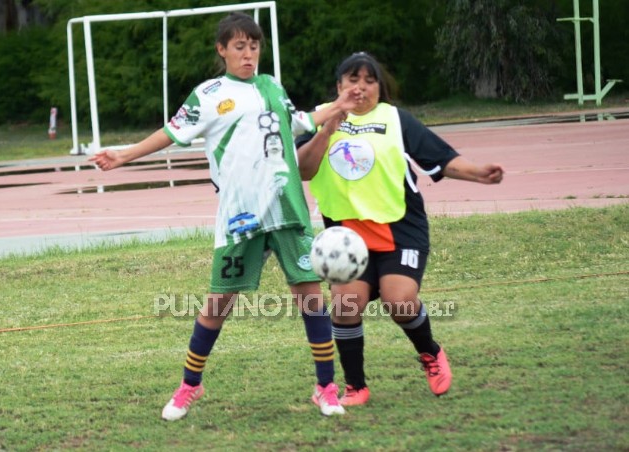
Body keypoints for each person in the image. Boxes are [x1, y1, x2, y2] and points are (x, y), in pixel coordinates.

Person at [90, 13, 361, 420]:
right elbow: (171, 131)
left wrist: (336, 108)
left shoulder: (271, 86)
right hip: (241, 218)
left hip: (287, 211)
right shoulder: (209, 94)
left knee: (310, 297)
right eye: (239, 47)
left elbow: (297, 122)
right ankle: (189, 386)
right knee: (218, 302)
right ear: (222, 50)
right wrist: (124, 154)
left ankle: (325, 388)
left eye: (254, 47)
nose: (248, 54)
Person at [296, 52, 504, 406]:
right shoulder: (317, 118)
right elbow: (304, 169)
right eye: (353, 79)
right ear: (339, 86)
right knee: (346, 306)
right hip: (347, 239)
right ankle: (356, 387)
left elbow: (440, 157)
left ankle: (431, 353)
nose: (361, 87)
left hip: (399, 229)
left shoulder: (395, 119)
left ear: (379, 87)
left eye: (369, 80)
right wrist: (328, 127)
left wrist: (478, 173)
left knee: (399, 301)